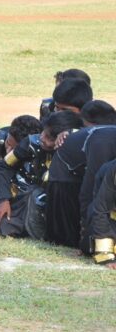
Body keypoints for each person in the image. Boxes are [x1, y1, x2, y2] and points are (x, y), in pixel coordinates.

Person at [0, 111, 83, 239]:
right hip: (20, 195)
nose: (42, 138)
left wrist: (70, 134)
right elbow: (3, 166)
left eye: (50, 138)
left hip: (48, 201)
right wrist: (3, 200)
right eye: (44, 132)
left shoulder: (74, 154)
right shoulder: (30, 143)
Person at [46, 100, 116, 248]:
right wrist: (86, 233)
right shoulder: (102, 142)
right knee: (74, 241)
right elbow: (90, 190)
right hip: (65, 179)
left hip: (85, 171)